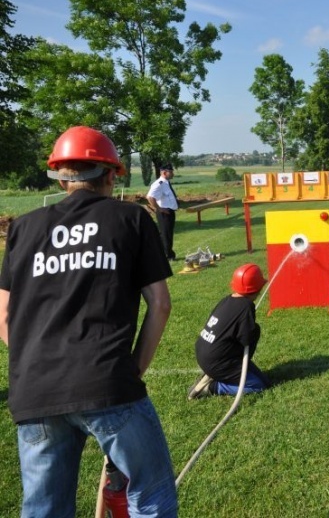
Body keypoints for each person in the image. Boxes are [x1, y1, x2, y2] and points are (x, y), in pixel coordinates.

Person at [0, 126, 178, 516]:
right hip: (107, 383)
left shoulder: (23, 228)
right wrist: (133, 369)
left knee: (44, 510)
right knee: (151, 498)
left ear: (61, 175)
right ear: (110, 174)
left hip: (35, 391)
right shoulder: (131, 220)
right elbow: (160, 303)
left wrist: (38, 363)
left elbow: (5, 316)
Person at [189, 264, 271, 399]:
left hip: (205, 353)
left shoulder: (227, 300)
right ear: (257, 289)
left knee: (266, 381)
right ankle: (211, 387)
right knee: (258, 385)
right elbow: (246, 339)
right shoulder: (246, 306)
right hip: (218, 361)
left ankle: (211, 375)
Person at [146, 162, 179, 261]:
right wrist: (159, 209)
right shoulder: (159, 184)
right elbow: (150, 197)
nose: (173, 173)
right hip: (164, 213)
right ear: (164, 172)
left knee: (167, 234)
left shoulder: (166, 182)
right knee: (166, 235)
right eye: (171, 172)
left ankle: (165, 253)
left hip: (169, 212)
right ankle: (168, 255)